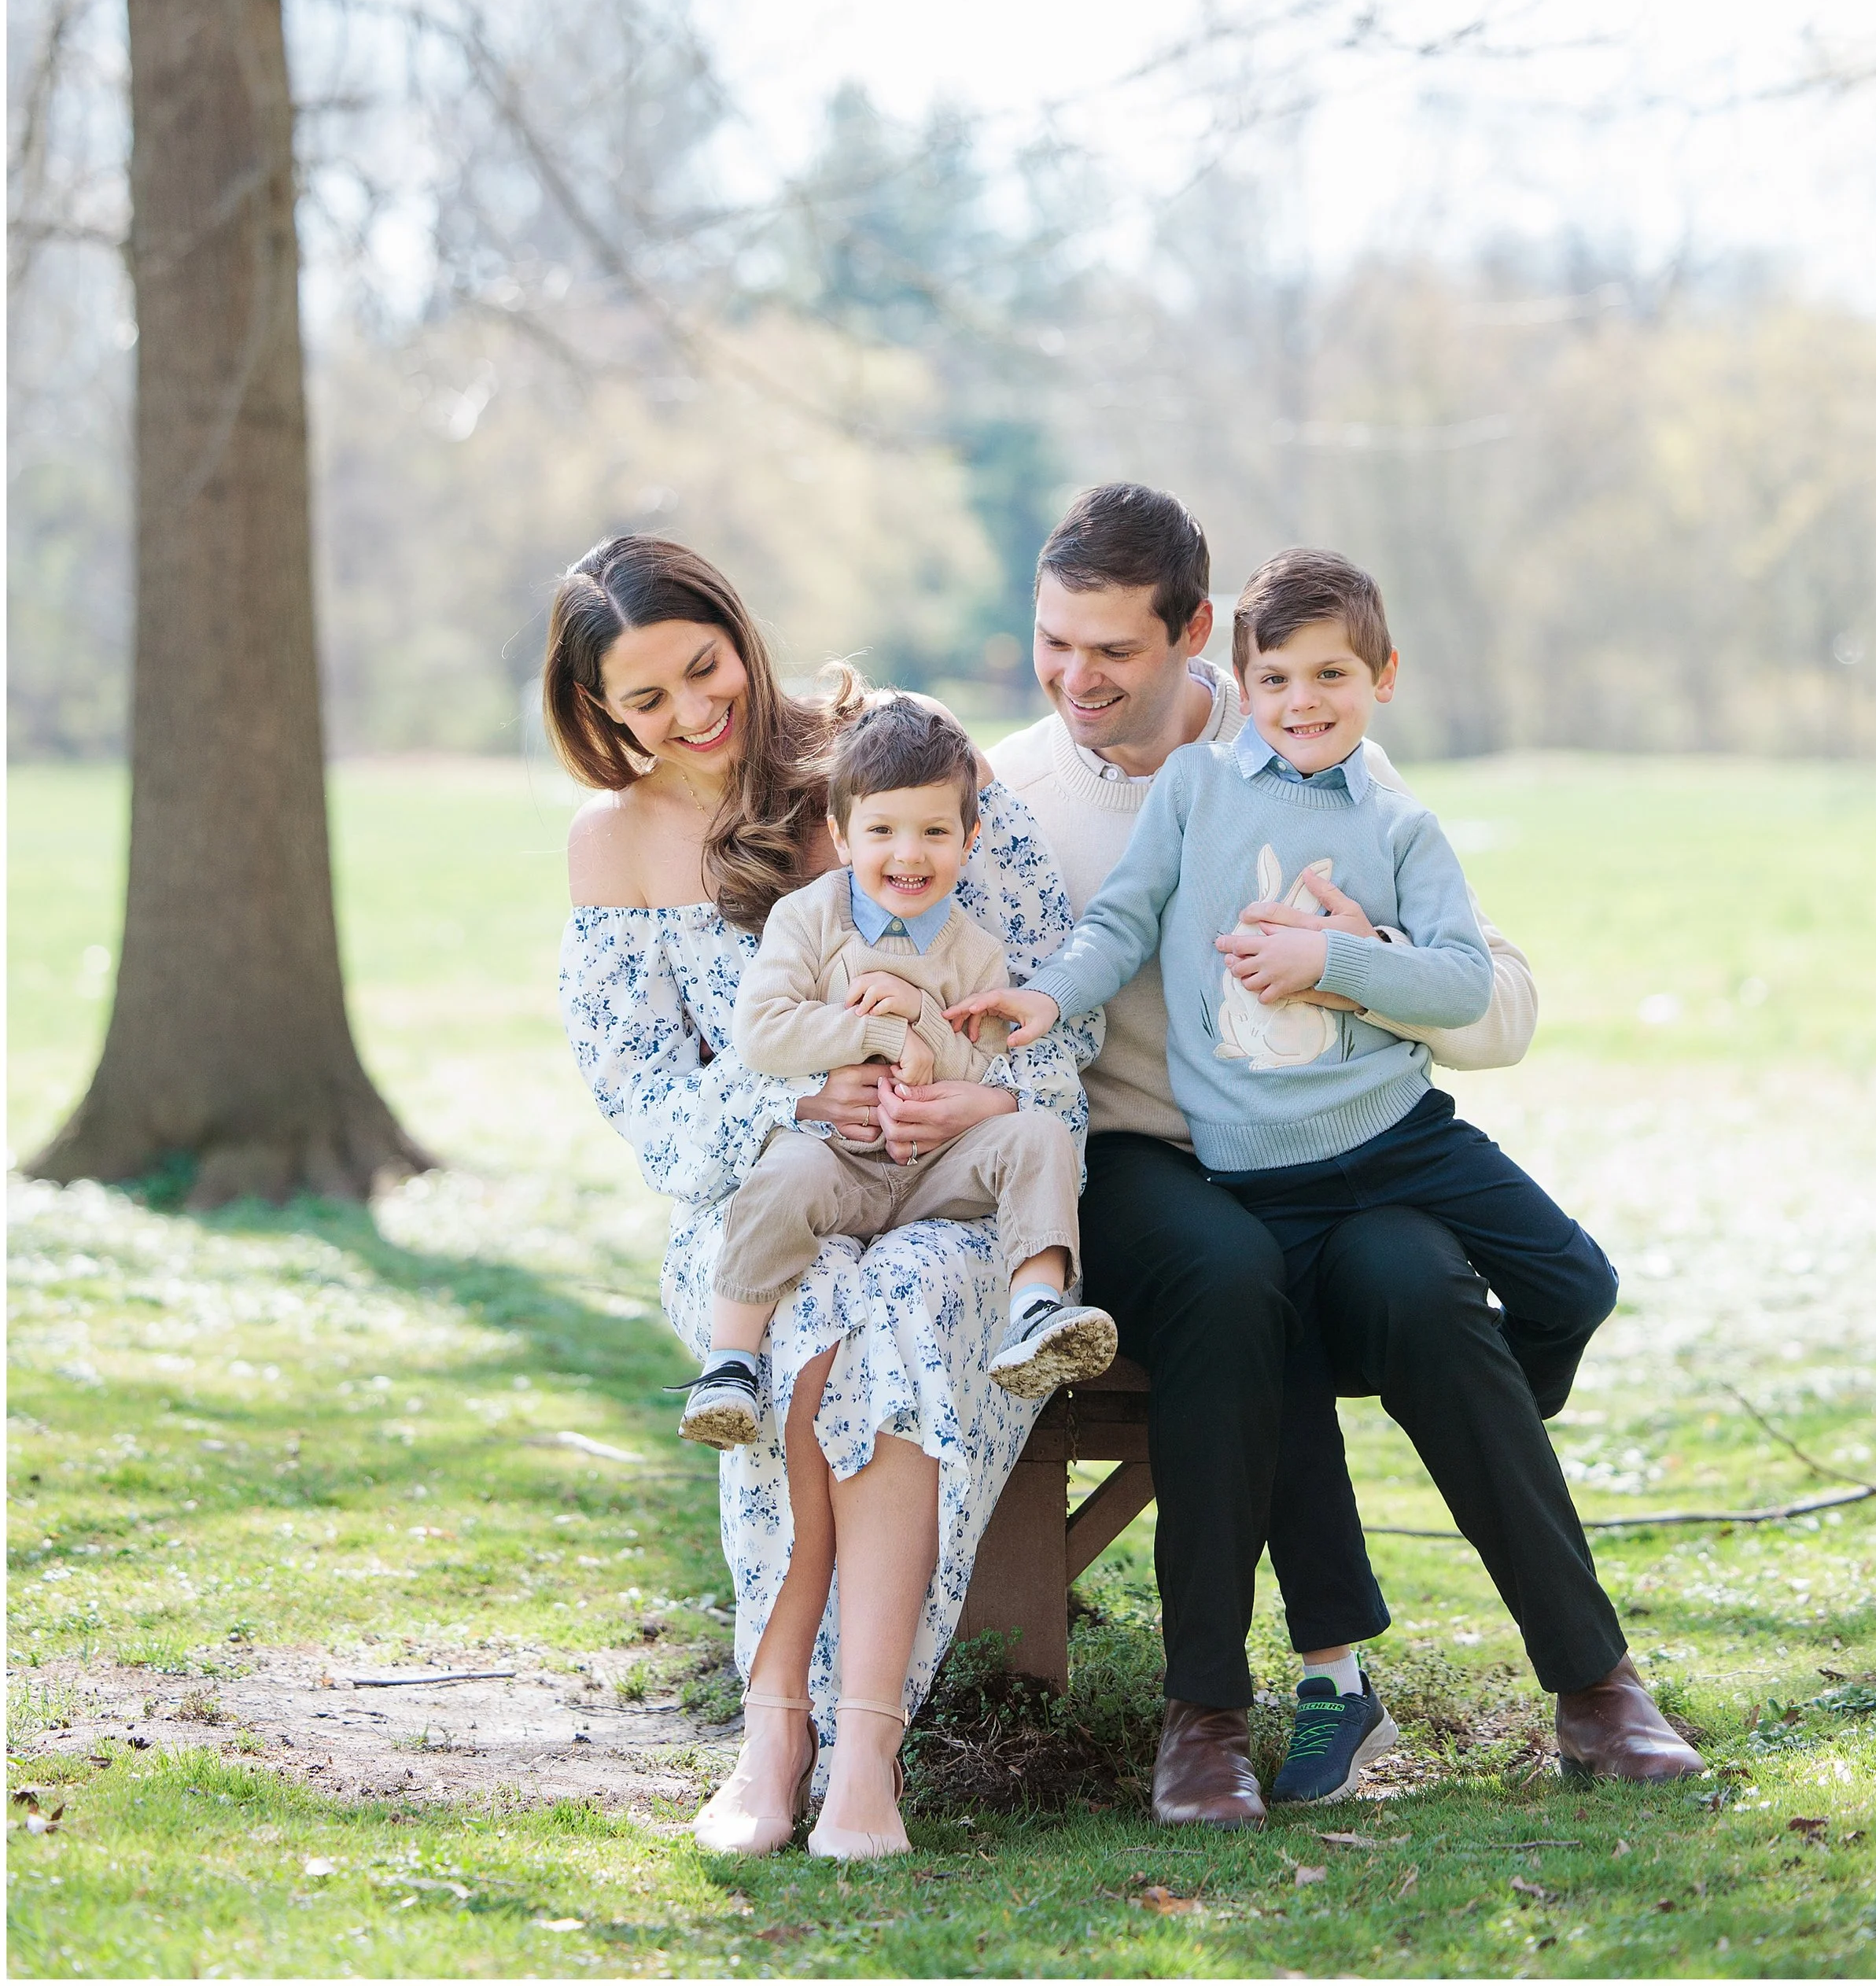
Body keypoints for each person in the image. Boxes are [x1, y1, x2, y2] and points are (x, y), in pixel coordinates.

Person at [990, 483, 1702, 1822]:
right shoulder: (1013, 794)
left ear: (1193, 635)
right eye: (1054, 642)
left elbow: (1496, 1002)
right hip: (1145, 1159)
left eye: (1116, 649)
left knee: (1426, 1289)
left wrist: (1348, 964)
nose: (1079, 676)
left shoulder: (1323, 751)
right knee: (1228, 1277)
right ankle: (1205, 1714)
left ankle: (1595, 1681)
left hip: (1338, 1146)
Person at [548, 536, 1089, 1862]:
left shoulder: (896, 754)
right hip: (755, 1210)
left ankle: (862, 1752)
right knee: (812, 1317)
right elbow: (654, 1116)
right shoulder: (612, 849)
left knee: (906, 1294)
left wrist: (986, 1103)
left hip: (956, 1193)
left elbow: (1049, 1017)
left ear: (739, 630)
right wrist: (796, 1102)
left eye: (702, 665)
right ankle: (773, 1726)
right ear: (602, 718)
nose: (691, 711)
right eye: (646, 700)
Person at [680, 695, 1117, 1448]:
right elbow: (760, 1031)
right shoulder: (810, 919)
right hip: (840, 1160)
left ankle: (1038, 1309)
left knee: (1038, 1135)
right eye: (882, 831)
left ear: (969, 839)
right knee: (778, 1175)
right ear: (841, 836)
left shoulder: (973, 948)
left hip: (936, 1167)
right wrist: (882, 1028)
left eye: (935, 832)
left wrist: (926, 1034)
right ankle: (729, 1365)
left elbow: (976, 1059)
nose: (909, 855)